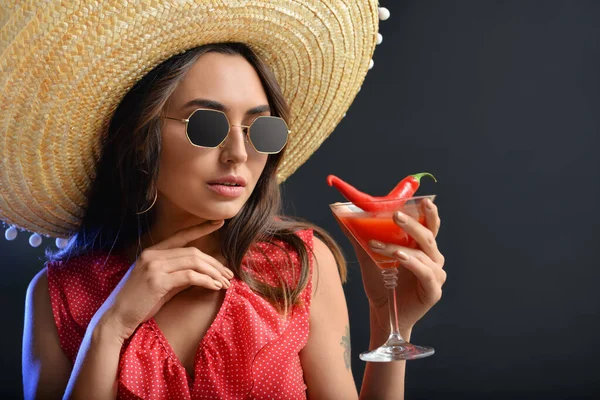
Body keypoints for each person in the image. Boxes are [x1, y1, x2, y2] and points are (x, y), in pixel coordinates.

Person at [2, 1, 446, 399]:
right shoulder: (57, 294)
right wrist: (111, 325)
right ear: (141, 139)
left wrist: (392, 322)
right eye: (207, 126)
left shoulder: (299, 267)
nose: (239, 153)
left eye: (262, 129)